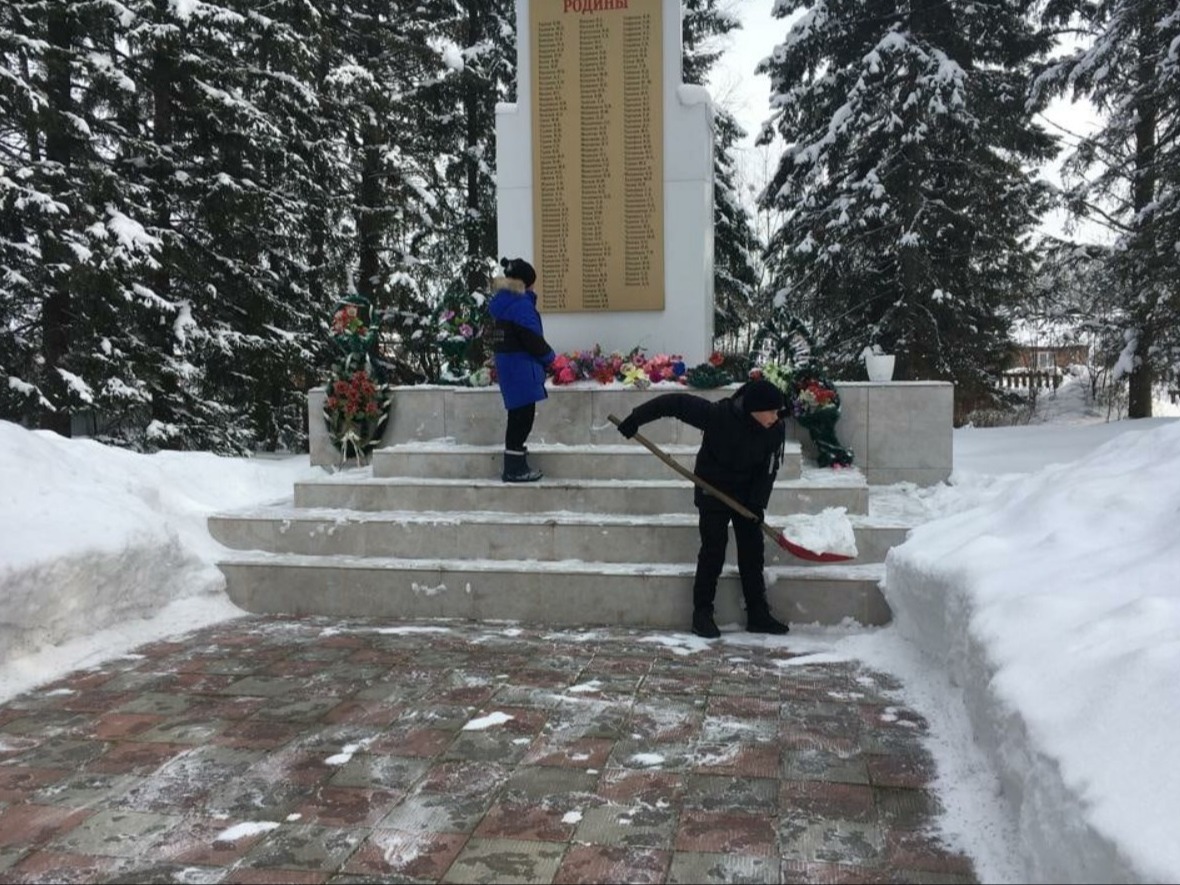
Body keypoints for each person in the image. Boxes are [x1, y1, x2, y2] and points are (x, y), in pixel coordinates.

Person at [615, 379, 791, 638]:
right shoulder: (718, 415)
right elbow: (674, 403)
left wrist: (756, 504)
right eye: (773, 411)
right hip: (712, 488)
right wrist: (635, 419)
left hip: (748, 495)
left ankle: (758, 613)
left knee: (752, 551)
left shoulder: (775, 429)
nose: (777, 417)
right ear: (755, 407)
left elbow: (769, 469)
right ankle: (702, 613)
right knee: (713, 550)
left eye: (778, 412)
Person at [487, 257, 555, 482]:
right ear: (525, 283)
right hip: (522, 368)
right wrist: (551, 359)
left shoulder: (502, 303)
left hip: (510, 367)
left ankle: (516, 462)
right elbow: (532, 339)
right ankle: (514, 468)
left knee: (518, 416)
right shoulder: (521, 305)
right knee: (522, 418)